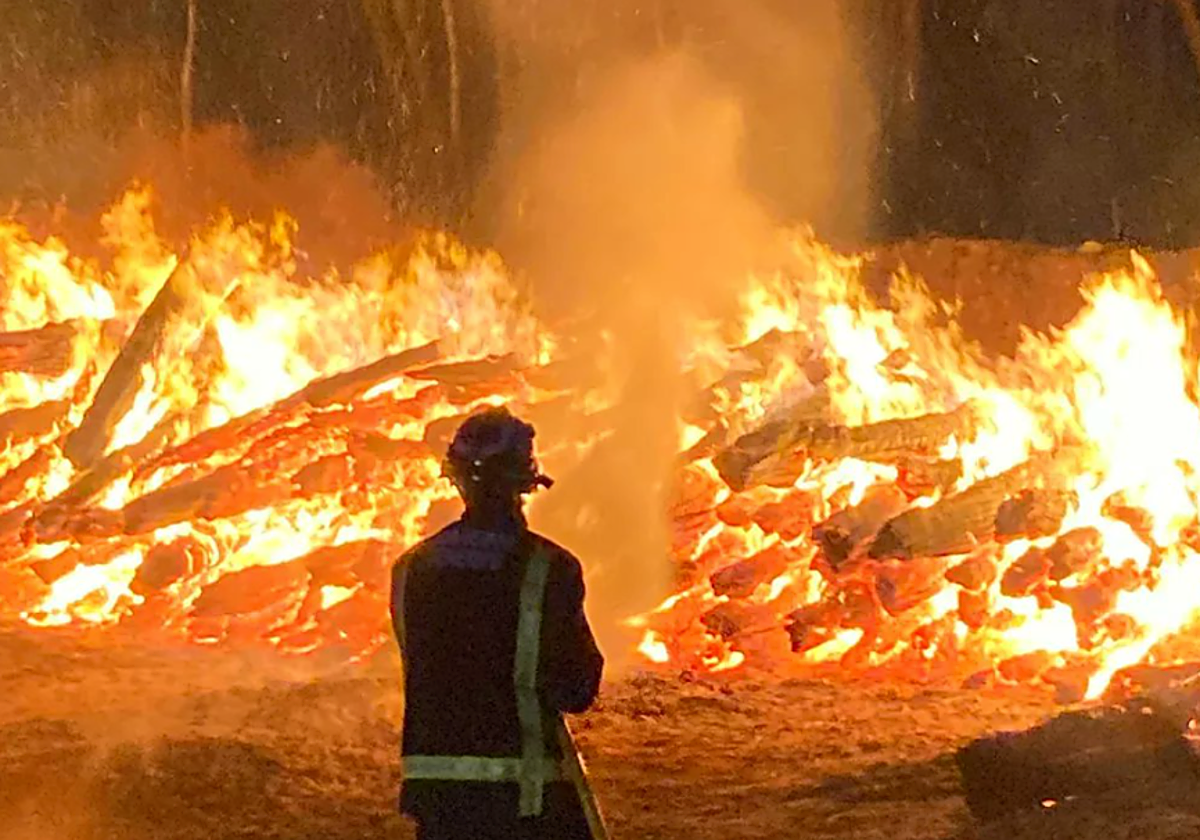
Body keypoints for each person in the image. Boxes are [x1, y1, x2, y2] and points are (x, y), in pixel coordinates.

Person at [391, 406, 606, 840]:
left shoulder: (411, 568)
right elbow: (576, 688)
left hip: (437, 799)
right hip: (525, 798)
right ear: (526, 482)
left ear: (455, 479)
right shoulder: (549, 568)